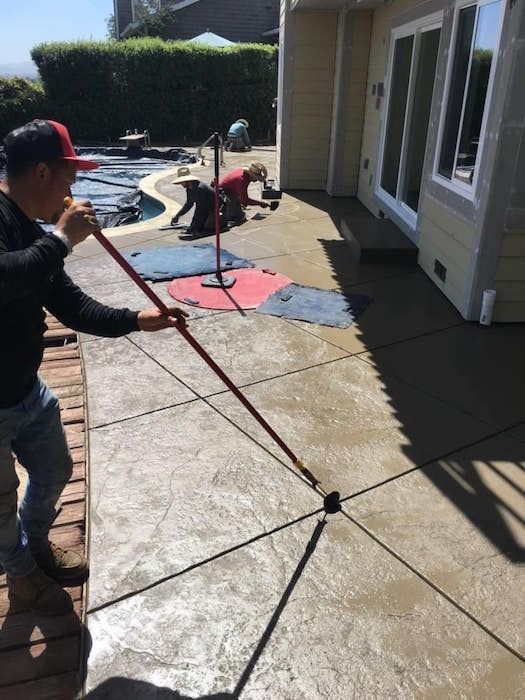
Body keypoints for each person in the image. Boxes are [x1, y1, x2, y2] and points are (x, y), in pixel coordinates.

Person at [0, 119, 189, 616]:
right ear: (42, 172)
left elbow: (68, 301)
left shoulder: (27, 227)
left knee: (55, 468)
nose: (73, 192)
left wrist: (136, 320)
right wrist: (61, 239)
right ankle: (19, 575)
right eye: (68, 178)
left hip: (24, 387)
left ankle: (34, 541)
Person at [170, 166, 217, 238]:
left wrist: (194, 227)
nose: (181, 184)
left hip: (214, 209)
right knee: (195, 226)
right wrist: (177, 216)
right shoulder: (189, 188)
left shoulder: (199, 188)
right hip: (205, 209)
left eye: (181, 182)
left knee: (205, 227)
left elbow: (201, 210)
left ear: (187, 181)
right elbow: (188, 204)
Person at [218, 161, 269, 226]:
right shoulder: (241, 180)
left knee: (239, 205)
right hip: (221, 194)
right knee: (238, 217)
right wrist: (260, 203)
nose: (256, 181)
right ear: (251, 175)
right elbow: (245, 200)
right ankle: (227, 213)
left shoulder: (244, 174)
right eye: (256, 178)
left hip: (229, 191)